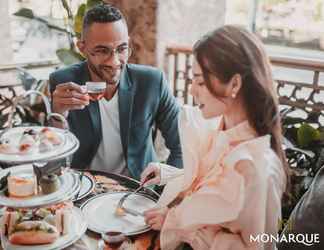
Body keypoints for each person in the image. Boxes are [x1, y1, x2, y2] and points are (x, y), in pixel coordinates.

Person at [140, 25, 288, 250]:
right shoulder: (221, 129)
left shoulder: (254, 168)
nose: (192, 90)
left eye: (200, 81)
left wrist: (183, 226)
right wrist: (166, 173)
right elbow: (210, 184)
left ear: (235, 84)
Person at [49, 4, 182, 179]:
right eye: (102, 51)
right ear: (82, 47)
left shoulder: (151, 82)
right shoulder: (63, 82)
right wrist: (58, 115)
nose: (114, 61)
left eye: (121, 49)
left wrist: (168, 191)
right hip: (85, 188)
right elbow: (54, 159)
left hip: (137, 189)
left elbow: (182, 147)